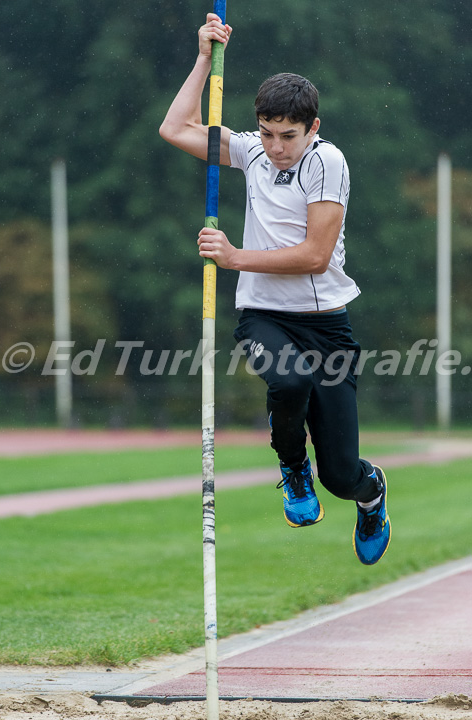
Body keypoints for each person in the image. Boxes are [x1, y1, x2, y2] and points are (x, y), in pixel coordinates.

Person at [159, 14, 391, 565]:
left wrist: (235, 257)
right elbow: (175, 128)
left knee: (342, 474)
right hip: (263, 314)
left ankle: (372, 493)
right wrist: (202, 59)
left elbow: (314, 257)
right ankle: (291, 470)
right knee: (286, 380)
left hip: (326, 325)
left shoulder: (326, 162)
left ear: (313, 128)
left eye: (288, 135)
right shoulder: (250, 152)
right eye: (266, 132)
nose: (276, 146)